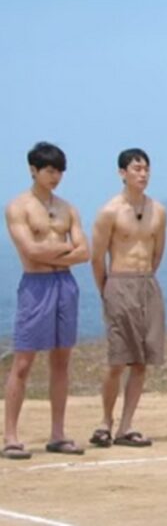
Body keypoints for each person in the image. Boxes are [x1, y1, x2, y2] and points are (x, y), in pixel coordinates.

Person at [3, 142, 90, 460]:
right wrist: (65, 251)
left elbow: (85, 251)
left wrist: (52, 254)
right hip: (36, 286)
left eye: (59, 171)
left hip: (65, 284)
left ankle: (57, 434)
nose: (55, 177)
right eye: (50, 170)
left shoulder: (68, 209)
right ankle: (10, 436)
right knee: (23, 361)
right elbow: (30, 251)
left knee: (61, 360)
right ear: (34, 170)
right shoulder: (19, 207)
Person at [89, 148, 167, 449]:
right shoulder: (110, 211)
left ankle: (126, 425)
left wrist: (144, 280)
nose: (142, 174)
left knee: (141, 361)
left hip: (146, 282)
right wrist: (108, 291)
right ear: (122, 172)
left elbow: (157, 252)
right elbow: (97, 258)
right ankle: (105, 422)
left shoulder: (158, 211)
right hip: (118, 283)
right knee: (117, 360)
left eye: (146, 168)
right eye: (136, 168)